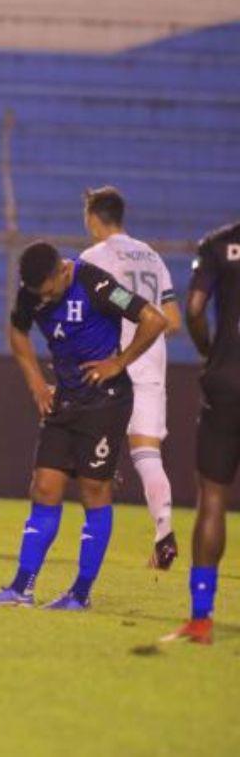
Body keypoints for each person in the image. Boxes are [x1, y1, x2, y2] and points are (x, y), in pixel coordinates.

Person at [0, 241, 167, 610]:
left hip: (105, 402)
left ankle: (80, 594)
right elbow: (17, 333)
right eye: (38, 294)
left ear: (62, 272)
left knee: (94, 490)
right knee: (44, 486)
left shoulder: (98, 285)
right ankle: (21, 588)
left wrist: (119, 362)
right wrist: (35, 384)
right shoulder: (31, 294)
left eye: (49, 291)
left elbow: (154, 319)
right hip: (64, 400)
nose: (44, 298)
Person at [79, 186, 181, 569]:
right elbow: (172, 321)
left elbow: (82, 313)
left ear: (93, 217)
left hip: (111, 363)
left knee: (87, 446)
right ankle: (164, 533)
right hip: (151, 363)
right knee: (148, 454)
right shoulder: (153, 256)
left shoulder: (93, 258)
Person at [162, 220, 240, 645]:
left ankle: (201, 620)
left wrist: (211, 351)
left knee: (213, 495)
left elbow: (192, 310)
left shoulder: (218, 245)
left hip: (227, 381)